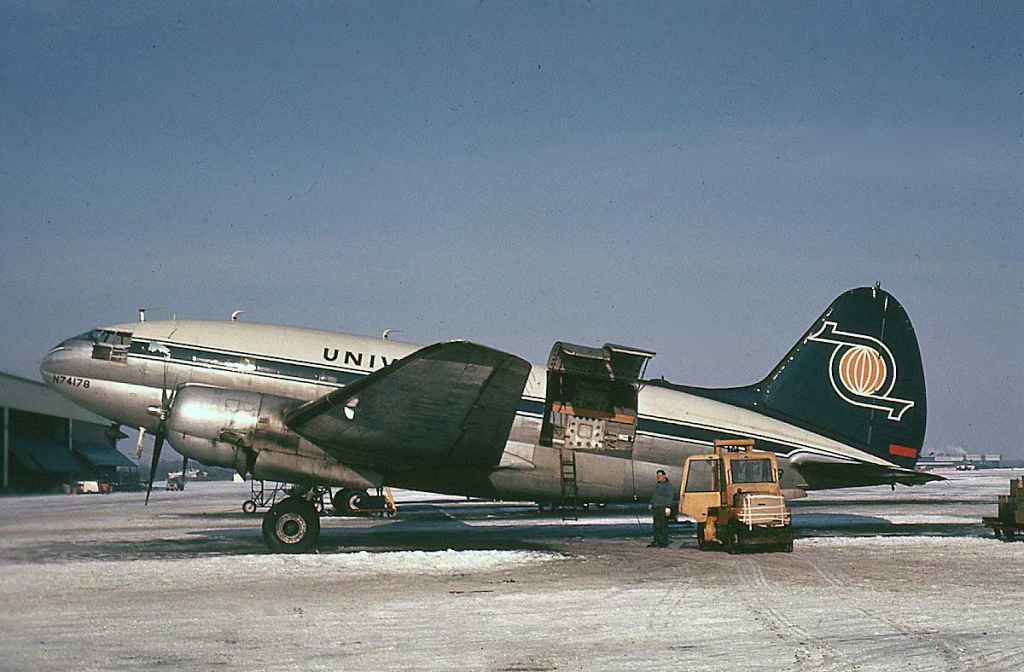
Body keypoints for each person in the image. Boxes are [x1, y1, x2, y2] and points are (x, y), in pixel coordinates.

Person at [648, 469, 674, 547]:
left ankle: (663, 542)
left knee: (663, 525)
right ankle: (656, 540)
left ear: (664, 476)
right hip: (656, 507)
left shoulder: (668, 486)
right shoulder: (657, 485)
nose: (658, 477)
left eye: (660, 476)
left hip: (663, 507)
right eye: (657, 476)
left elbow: (670, 496)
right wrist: (651, 503)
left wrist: (668, 507)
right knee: (656, 525)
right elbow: (654, 495)